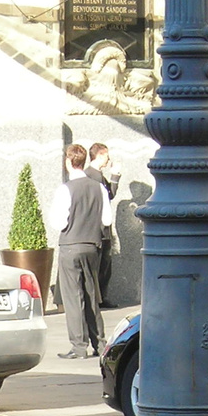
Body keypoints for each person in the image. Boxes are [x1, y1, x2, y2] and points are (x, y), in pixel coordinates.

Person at [46, 143, 112, 360]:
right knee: (92, 294)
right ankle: (100, 343)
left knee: (73, 298)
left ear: (68, 162)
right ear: (83, 162)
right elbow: (106, 220)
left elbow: (59, 222)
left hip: (71, 246)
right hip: (92, 246)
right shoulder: (99, 188)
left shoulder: (65, 189)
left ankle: (79, 346)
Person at [85, 142, 122, 306]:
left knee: (105, 264)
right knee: (101, 263)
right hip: (98, 228)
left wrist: (114, 177)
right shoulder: (93, 175)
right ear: (99, 155)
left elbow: (109, 195)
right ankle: (98, 298)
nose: (108, 159)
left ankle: (100, 297)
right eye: (106, 155)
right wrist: (114, 176)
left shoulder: (95, 174)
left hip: (101, 227)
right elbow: (106, 197)